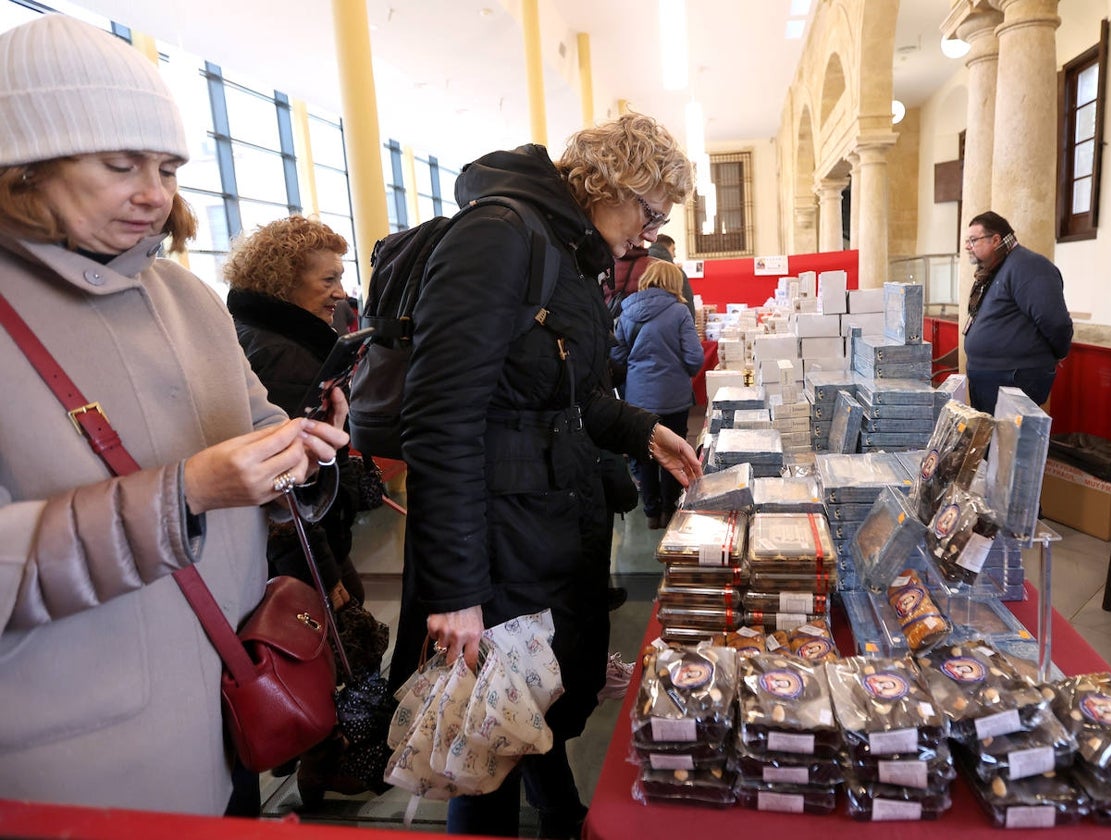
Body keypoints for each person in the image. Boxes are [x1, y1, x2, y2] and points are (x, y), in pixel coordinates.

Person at [0, 14, 348, 816]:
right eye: (121, 163)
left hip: (233, 697)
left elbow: (252, 427)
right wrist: (179, 496)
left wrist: (301, 448)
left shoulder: (185, 296)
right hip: (84, 763)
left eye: (167, 166)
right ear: (24, 165)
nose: (154, 194)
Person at [387, 112, 702, 838]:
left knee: (529, 701)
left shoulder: (567, 250)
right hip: (495, 542)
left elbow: (573, 393)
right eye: (649, 211)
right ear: (607, 182)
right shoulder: (499, 237)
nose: (651, 233)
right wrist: (457, 590)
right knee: (482, 738)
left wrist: (643, 430)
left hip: (547, 521)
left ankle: (561, 814)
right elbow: (441, 418)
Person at [223, 215, 366, 610]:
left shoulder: (257, 335)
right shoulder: (283, 356)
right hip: (302, 548)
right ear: (283, 281)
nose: (341, 294)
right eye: (328, 280)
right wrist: (323, 570)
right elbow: (284, 480)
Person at [611, 260, 705, 529]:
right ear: (675, 283)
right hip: (673, 397)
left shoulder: (627, 311)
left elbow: (616, 355)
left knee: (645, 452)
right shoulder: (679, 312)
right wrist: (680, 368)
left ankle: (651, 512)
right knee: (674, 452)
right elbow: (695, 357)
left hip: (638, 397)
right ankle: (670, 510)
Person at [961, 210, 1073, 415]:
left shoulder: (1029, 266)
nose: (968, 246)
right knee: (990, 444)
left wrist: (1058, 353)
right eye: (967, 241)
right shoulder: (996, 268)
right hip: (993, 376)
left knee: (1009, 445)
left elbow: (1055, 322)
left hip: (1013, 377)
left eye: (973, 240)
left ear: (995, 240)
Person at [649, 232, 695, 318]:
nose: (674, 255)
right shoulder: (676, 272)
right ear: (667, 248)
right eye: (673, 250)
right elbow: (687, 302)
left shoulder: (640, 267)